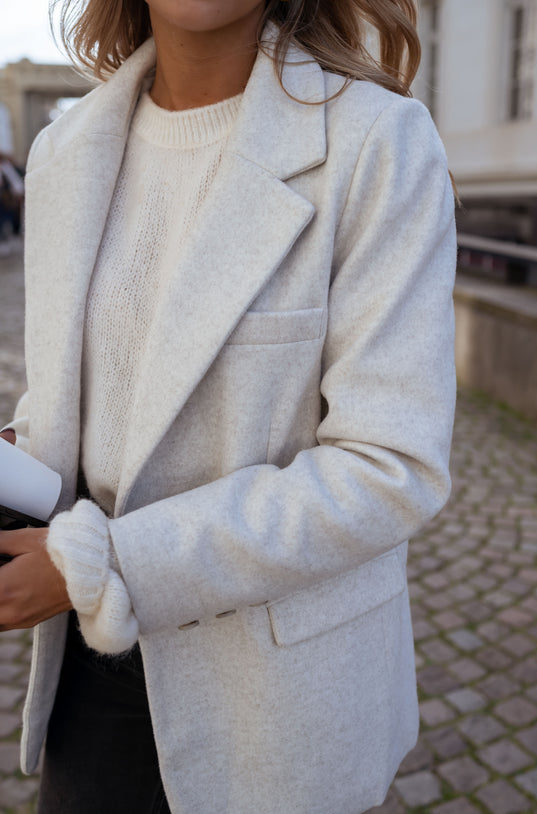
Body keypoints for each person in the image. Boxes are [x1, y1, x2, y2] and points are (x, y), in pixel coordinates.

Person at [0, 0, 457, 812]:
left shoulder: (377, 144)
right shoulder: (66, 151)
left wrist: (93, 566)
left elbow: (389, 467)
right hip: (92, 694)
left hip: (278, 708)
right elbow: (70, 406)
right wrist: (16, 457)